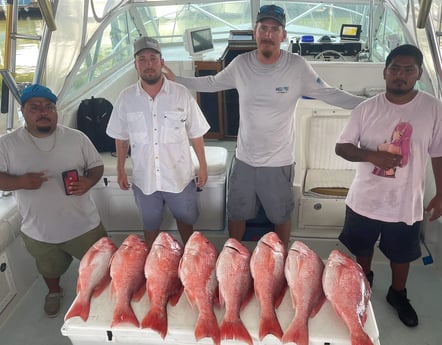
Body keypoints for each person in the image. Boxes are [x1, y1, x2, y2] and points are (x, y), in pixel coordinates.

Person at [163, 4, 364, 246]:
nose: (268, 34)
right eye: (263, 28)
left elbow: (330, 94)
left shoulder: (297, 66)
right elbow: (211, 82)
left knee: (280, 216)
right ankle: (232, 255)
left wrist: (373, 103)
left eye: (274, 29)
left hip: (278, 162)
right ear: (254, 32)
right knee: (236, 213)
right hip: (244, 159)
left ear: (283, 35)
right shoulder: (240, 64)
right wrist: (177, 81)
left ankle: (280, 260)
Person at [335, 44, 442, 327]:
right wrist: (373, 156)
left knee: (402, 255)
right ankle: (363, 281)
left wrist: (441, 194)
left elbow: (438, 153)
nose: (400, 75)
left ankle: (398, 294)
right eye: (395, 68)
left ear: (419, 74)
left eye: (408, 70)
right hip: (364, 200)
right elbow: (342, 147)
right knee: (363, 248)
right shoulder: (366, 109)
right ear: (384, 72)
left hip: (406, 201)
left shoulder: (433, 109)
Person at [0, 84, 108, 318]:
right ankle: (54, 292)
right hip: (39, 230)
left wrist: (88, 182)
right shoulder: (6, 144)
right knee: (49, 269)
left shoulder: (76, 138)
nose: (43, 111)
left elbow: (97, 166)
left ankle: (103, 294)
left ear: (56, 111)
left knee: (101, 267)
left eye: (49, 106)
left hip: (84, 225)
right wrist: (20, 181)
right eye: (34, 107)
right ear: (23, 111)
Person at [106, 37, 210, 247]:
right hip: (145, 179)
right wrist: (120, 170)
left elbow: (196, 133)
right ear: (135, 64)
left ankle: (189, 259)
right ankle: (154, 264)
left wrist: (203, 166)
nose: (148, 64)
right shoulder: (125, 98)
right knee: (150, 225)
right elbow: (121, 137)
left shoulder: (181, 93)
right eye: (142, 59)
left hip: (179, 176)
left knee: (186, 221)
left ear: (162, 62)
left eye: (153, 58)